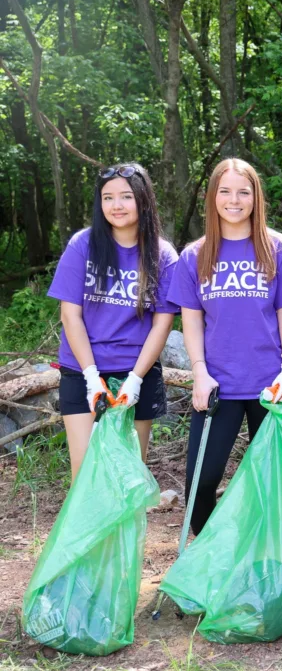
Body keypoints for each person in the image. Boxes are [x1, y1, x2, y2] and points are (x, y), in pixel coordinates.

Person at [169, 158, 282, 535]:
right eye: (226, 191)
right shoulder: (194, 255)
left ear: (256, 197)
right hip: (217, 385)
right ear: (212, 196)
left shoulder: (279, 248)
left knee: (273, 483)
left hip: (269, 385)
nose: (235, 200)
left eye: (243, 192)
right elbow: (192, 320)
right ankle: (208, 560)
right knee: (201, 480)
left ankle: (270, 563)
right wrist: (198, 373)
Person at [48, 163, 178, 481]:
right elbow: (70, 315)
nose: (116, 206)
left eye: (125, 197)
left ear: (143, 200)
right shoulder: (83, 245)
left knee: (127, 476)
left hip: (136, 372)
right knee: (86, 477)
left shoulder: (162, 255)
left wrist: (135, 379)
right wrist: (92, 377)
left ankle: (128, 534)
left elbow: (163, 324)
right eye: (107, 198)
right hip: (83, 370)